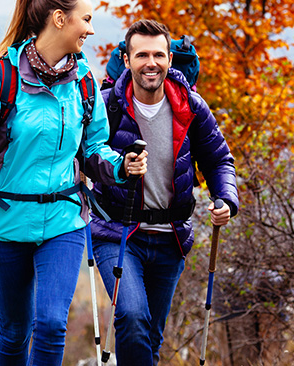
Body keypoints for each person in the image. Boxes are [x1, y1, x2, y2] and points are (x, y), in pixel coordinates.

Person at [0, 0, 138, 366]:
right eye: (85, 18)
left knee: (51, 324)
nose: (90, 28)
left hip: (64, 220)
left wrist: (122, 166)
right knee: (16, 330)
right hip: (4, 223)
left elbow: (94, 150)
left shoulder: (84, 82)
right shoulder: (2, 78)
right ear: (58, 19)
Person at [88, 19, 239, 365]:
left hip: (171, 237)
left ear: (170, 59)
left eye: (159, 54)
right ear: (126, 60)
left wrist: (226, 199)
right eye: (142, 55)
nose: (151, 63)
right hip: (118, 233)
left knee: (151, 337)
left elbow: (219, 160)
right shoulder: (107, 105)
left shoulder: (191, 106)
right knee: (133, 317)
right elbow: (86, 156)